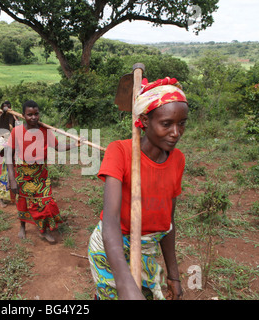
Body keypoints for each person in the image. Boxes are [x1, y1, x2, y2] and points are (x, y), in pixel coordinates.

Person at [88, 77, 189, 300]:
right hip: (112, 247)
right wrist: (124, 284)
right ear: (144, 120)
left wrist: (174, 275)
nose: (176, 132)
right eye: (166, 124)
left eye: (181, 123)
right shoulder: (120, 152)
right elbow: (111, 222)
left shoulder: (178, 160)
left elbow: (168, 221)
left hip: (147, 248)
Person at [6, 100, 82, 243]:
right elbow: (9, 156)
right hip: (23, 173)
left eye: (36, 114)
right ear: (23, 115)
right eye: (30, 115)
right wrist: (12, 179)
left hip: (41, 173)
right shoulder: (16, 132)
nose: (34, 117)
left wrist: (75, 144)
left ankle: (43, 231)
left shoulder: (45, 131)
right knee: (23, 201)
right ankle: (22, 226)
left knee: (45, 201)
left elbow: (58, 147)